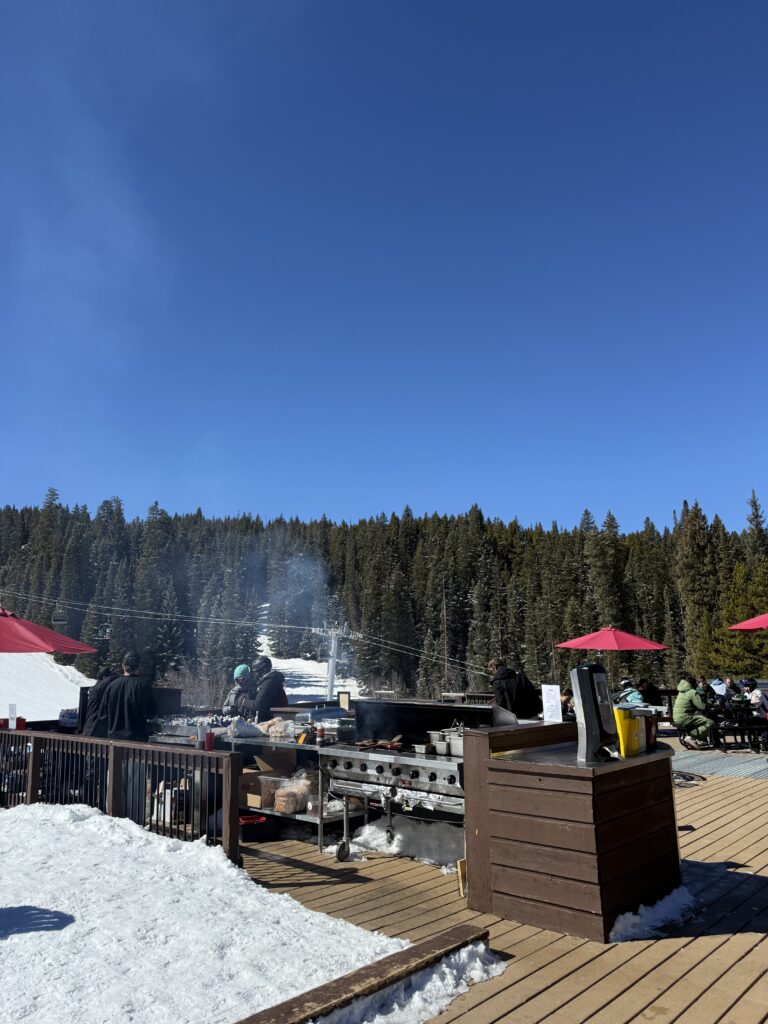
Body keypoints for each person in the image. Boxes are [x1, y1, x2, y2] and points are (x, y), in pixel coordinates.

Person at [104, 651, 158, 824]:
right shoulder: (142, 686)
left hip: (113, 742)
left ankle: (113, 820)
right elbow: (151, 712)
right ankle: (134, 824)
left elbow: (104, 713)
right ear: (139, 667)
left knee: (115, 784)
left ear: (123, 665)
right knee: (135, 787)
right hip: (136, 743)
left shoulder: (111, 686)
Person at [672, 676, 714, 749]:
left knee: (699, 719)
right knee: (710, 722)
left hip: (676, 718)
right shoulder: (692, 692)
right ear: (693, 684)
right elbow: (702, 707)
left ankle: (696, 739)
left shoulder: (681, 691)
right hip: (685, 717)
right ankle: (692, 737)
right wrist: (710, 703)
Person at [82, 664, 119, 738]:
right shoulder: (99, 688)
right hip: (94, 730)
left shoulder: (97, 688)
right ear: (104, 678)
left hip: (93, 730)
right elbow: (109, 680)